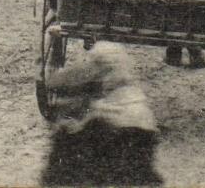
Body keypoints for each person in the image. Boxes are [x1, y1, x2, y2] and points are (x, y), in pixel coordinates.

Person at [40, 43, 162, 187]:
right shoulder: (132, 93)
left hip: (115, 134)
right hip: (138, 130)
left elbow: (62, 81)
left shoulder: (100, 60)